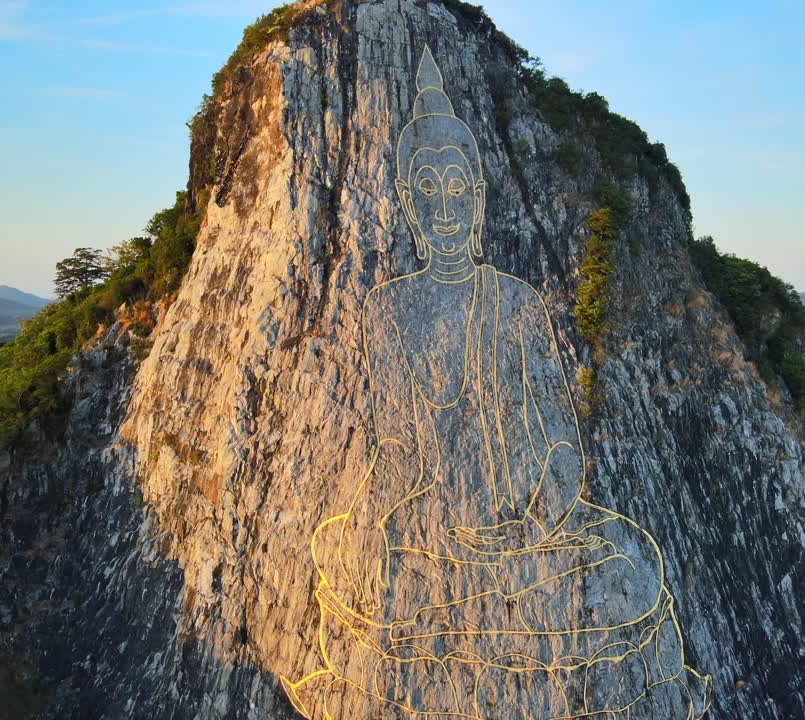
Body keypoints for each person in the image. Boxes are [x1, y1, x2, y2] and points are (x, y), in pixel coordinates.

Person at [282, 46, 710, 720]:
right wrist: (375, 522)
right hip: (438, 537)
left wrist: (539, 514)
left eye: (459, 189)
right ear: (406, 200)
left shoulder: (516, 302)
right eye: (428, 190)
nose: (445, 209)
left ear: (478, 198)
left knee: (632, 569)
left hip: (526, 538)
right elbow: (395, 449)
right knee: (354, 562)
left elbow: (563, 441)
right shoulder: (386, 309)